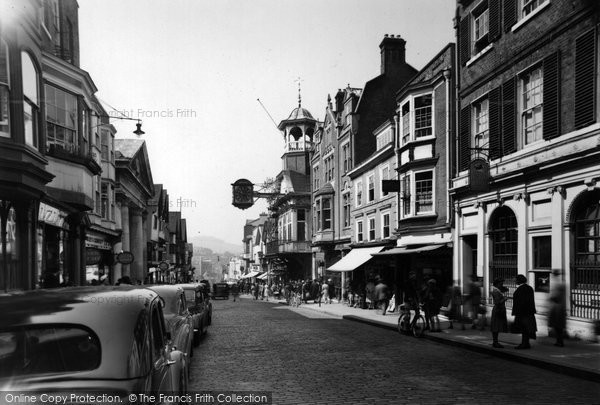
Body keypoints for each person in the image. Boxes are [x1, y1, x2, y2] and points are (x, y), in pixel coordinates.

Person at [512, 274, 537, 349]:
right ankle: (526, 343)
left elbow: (522, 302)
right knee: (527, 328)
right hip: (529, 312)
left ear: (519, 280)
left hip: (523, 312)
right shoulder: (529, 288)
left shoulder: (521, 289)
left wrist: (517, 312)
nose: (514, 281)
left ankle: (524, 344)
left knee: (524, 328)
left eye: (516, 280)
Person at [548, 269, 567, 347]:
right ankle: (559, 341)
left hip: (557, 308)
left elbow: (556, 297)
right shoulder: (559, 283)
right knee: (558, 326)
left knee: (558, 326)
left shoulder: (558, 284)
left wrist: (551, 298)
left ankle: (560, 341)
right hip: (558, 307)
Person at [490, 277, 508, 348]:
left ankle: (495, 341)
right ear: (497, 284)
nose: (502, 284)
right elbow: (497, 302)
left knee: (497, 326)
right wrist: (504, 299)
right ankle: (495, 342)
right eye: (501, 283)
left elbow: (505, 289)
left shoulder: (497, 290)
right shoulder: (496, 291)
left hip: (499, 309)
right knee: (496, 326)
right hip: (498, 309)